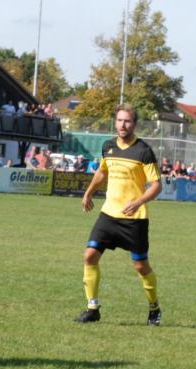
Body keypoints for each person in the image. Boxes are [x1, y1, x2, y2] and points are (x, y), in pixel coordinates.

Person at [74, 104, 163, 326]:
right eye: (120, 120)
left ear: (134, 124)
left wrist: (139, 201)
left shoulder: (143, 151)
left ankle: (154, 307)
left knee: (141, 266)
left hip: (135, 219)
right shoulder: (108, 146)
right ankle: (92, 308)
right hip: (109, 215)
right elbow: (102, 171)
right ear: (115, 122)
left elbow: (156, 185)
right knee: (89, 256)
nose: (123, 125)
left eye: (128, 121)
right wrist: (89, 192)